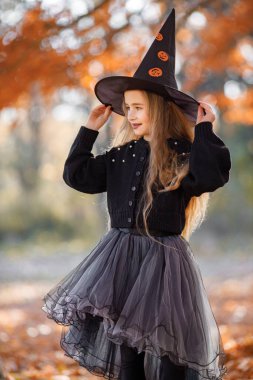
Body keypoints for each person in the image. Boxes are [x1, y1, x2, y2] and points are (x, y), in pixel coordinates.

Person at [42, 8, 231, 380]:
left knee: (170, 354)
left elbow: (212, 176)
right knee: (126, 354)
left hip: (163, 264)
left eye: (138, 107)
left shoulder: (181, 155)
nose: (129, 115)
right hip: (120, 260)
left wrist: (206, 131)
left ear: (159, 109)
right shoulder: (120, 155)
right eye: (126, 108)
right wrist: (88, 129)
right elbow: (77, 175)